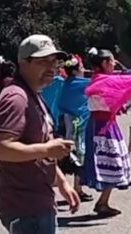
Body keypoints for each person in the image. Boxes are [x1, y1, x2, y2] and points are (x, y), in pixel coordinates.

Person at [0, 35, 79, 234]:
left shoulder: (34, 95)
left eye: (53, 61)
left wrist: (62, 182)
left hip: (38, 200)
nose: (51, 67)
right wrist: (47, 149)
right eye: (42, 61)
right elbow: (1, 148)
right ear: (23, 63)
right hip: (24, 205)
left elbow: (38, 144)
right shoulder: (16, 98)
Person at [82, 48, 131, 218]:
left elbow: (121, 89)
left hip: (103, 123)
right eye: (111, 60)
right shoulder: (103, 81)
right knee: (112, 161)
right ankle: (102, 203)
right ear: (104, 63)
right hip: (103, 125)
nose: (114, 63)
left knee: (111, 161)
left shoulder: (100, 80)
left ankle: (103, 201)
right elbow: (126, 83)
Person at [56, 55, 93, 203]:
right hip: (77, 124)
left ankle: (64, 187)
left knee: (64, 155)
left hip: (64, 123)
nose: (84, 70)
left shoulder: (65, 83)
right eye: (82, 67)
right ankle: (77, 189)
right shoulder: (81, 83)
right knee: (79, 155)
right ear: (76, 70)